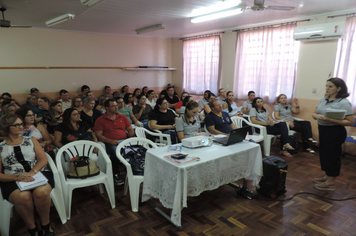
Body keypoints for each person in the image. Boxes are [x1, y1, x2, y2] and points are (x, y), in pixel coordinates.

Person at [0, 114, 54, 236]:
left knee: (41, 192)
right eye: (17, 124)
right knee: (23, 197)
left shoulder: (31, 140)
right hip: (12, 179)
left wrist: (31, 173)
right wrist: (16, 177)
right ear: (7, 127)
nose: (21, 127)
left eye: (21, 124)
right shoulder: (1, 147)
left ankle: (45, 225)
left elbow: (43, 160)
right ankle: (32, 228)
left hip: (37, 173)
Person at [312, 78, 354, 191]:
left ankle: (331, 182)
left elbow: (350, 121)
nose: (327, 88)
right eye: (326, 86)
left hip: (335, 131)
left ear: (338, 88)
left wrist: (329, 119)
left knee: (333, 155)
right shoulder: (324, 99)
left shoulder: (343, 102)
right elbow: (315, 112)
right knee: (324, 153)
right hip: (323, 129)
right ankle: (327, 176)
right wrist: (316, 116)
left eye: (330, 86)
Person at [94, 99, 134, 186]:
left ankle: (131, 172)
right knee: (116, 153)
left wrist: (130, 137)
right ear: (106, 108)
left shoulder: (122, 117)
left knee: (134, 152)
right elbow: (99, 135)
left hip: (124, 141)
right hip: (110, 142)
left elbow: (130, 129)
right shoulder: (101, 120)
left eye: (116, 105)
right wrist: (111, 141)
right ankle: (115, 174)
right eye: (113, 106)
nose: (116, 107)